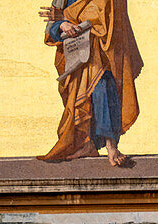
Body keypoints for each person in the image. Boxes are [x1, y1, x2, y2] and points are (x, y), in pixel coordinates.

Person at [38, 0, 142, 167]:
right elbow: (52, 24)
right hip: (74, 53)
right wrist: (62, 25)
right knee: (79, 98)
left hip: (103, 49)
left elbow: (106, 16)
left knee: (102, 86)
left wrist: (66, 16)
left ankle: (111, 145)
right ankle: (87, 144)